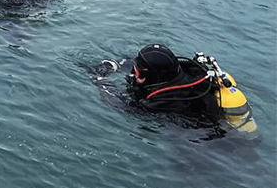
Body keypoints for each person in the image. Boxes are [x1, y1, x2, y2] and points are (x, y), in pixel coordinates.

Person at [86, 44, 256, 134]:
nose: (134, 75)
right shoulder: (180, 70)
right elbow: (142, 64)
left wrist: (99, 80)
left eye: (138, 73)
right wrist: (112, 65)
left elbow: (122, 106)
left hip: (202, 142)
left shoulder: (167, 101)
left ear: (155, 77)